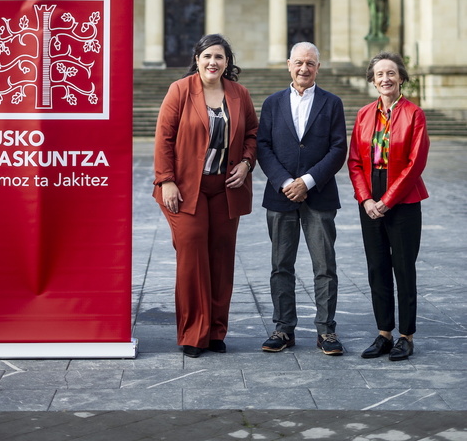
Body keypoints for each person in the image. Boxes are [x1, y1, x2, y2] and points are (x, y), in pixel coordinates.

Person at [153, 33, 258, 358]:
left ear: (228, 63)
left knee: (221, 258)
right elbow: (164, 137)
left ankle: (214, 331)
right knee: (192, 256)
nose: (213, 62)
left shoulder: (239, 94)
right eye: (207, 56)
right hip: (185, 190)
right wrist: (166, 180)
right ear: (197, 59)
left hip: (226, 189)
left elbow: (253, 133)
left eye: (220, 57)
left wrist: (246, 162)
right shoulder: (180, 91)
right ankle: (192, 334)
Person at [257, 42, 347, 355]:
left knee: (325, 267)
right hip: (280, 197)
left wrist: (307, 182)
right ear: (288, 65)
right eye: (298, 62)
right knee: (281, 265)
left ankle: (326, 332)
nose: (304, 68)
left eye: (310, 63)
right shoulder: (272, 103)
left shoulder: (332, 103)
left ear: (318, 68)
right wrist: (285, 182)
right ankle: (283, 330)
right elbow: (263, 147)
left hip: (319, 196)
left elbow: (338, 150)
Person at [348, 52, 429, 361]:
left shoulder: (414, 114)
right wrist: (366, 199)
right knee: (377, 267)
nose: (385, 79)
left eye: (391, 73)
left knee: (403, 267)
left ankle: (406, 336)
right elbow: (355, 161)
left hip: (404, 198)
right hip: (370, 196)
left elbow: (414, 164)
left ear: (401, 78)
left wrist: (386, 201)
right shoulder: (364, 114)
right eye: (379, 74)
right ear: (372, 80)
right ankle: (384, 333)